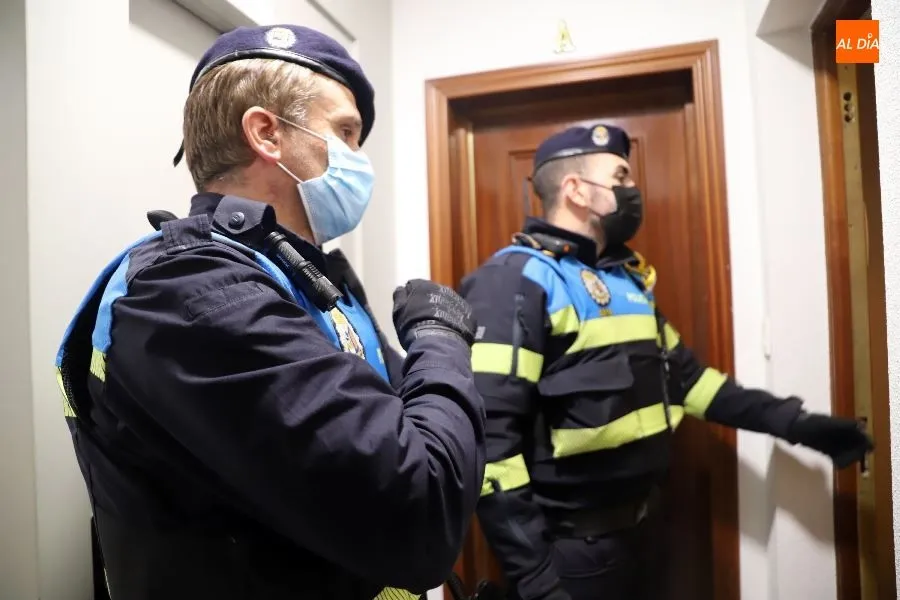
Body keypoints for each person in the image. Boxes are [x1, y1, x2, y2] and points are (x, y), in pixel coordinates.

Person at [55, 25, 486, 600]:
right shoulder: (191, 290)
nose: (359, 159)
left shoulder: (297, 272)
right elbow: (420, 511)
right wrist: (440, 338)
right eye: (346, 133)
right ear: (267, 134)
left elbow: (400, 430)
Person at [459, 123, 874, 600]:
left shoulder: (627, 283)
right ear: (575, 189)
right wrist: (535, 579)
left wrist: (798, 424)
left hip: (647, 536)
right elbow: (490, 444)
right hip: (572, 556)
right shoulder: (516, 280)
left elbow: (692, 384)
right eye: (620, 177)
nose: (632, 190)